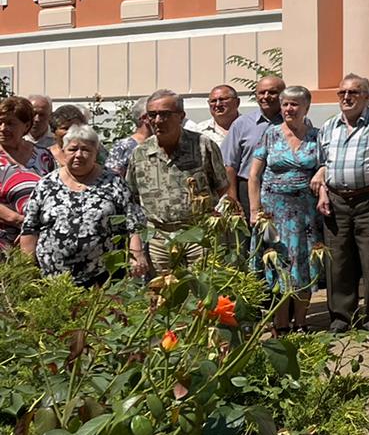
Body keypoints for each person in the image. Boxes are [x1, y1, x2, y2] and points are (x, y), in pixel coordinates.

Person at [313, 75, 369, 336]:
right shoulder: (328, 127)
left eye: (354, 92)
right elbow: (323, 164)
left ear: (368, 97)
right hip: (336, 200)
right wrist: (323, 192)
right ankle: (341, 317)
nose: (346, 98)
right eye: (342, 93)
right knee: (337, 262)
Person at [20, 125, 147, 285]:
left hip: (103, 278)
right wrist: (26, 271)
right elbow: (30, 229)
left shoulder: (113, 182)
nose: (79, 155)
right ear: (63, 151)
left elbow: (133, 224)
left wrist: (136, 256)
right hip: (54, 280)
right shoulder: (46, 184)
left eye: (86, 149)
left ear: (96, 152)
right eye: (73, 149)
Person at [123, 88, 230, 272]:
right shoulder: (140, 153)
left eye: (164, 115)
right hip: (159, 239)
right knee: (163, 294)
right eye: (152, 115)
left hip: (199, 236)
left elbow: (223, 190)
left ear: (181, 116)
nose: (157, 121)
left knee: (202, 293)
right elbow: (132, 198)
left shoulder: (203, 146)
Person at [248, 85, 323, 335]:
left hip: (305, 213)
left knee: (303, 265)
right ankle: (280, 323)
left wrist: (321, 171)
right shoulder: (270, 134)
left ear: (306, 107)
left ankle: (301, 321)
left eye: (294, 104)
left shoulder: (317, 136)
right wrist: (254, 210)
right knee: (277, 265)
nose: (289, 109)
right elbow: (254, 175)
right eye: (285, 104)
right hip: (274, 213)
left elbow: (326, 164)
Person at [221, 76, 285, 206]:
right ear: (256, 96)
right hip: (247, 189)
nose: (265, 96)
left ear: (283, 95)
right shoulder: (241, 124)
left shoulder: (296, 122)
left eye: (272, 92)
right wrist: (233, 199)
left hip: (285, 191)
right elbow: (229, 165)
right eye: (261, 92)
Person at [0, 97, 55, 175]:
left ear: (26, 126)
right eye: (0, 123)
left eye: (10, 123)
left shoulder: (43, 156)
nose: (3, 128)